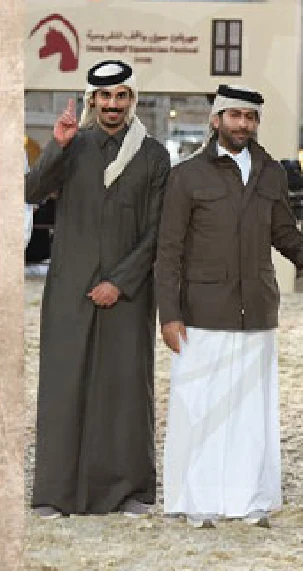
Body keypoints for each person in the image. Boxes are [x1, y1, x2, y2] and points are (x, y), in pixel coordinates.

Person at [155, 84, 303, 529]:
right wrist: (169, 314)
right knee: (201, 409)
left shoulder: (271, 172)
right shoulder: (186, 175)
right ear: (217, 120)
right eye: (235, 116)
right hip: (201, 311)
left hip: (257, 309)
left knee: (251, 413)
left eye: (250, 117)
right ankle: (198, 503)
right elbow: (168, 250)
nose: (243, 124)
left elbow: (283, 231)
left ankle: (249, 501)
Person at [25, 59, 171, 519]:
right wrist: (57, 144)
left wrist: (120, 282)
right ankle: (55, 493)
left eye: (121, 96)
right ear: (93, 100)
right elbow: (30, 191)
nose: (113, 105)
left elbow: (158, 231)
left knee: (125, 388)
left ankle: (129, 491)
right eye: (104, 96)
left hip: (129, 292)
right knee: (64, 386)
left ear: (132, 100)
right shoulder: (74, 145)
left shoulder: (153, 155)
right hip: (70, 288)